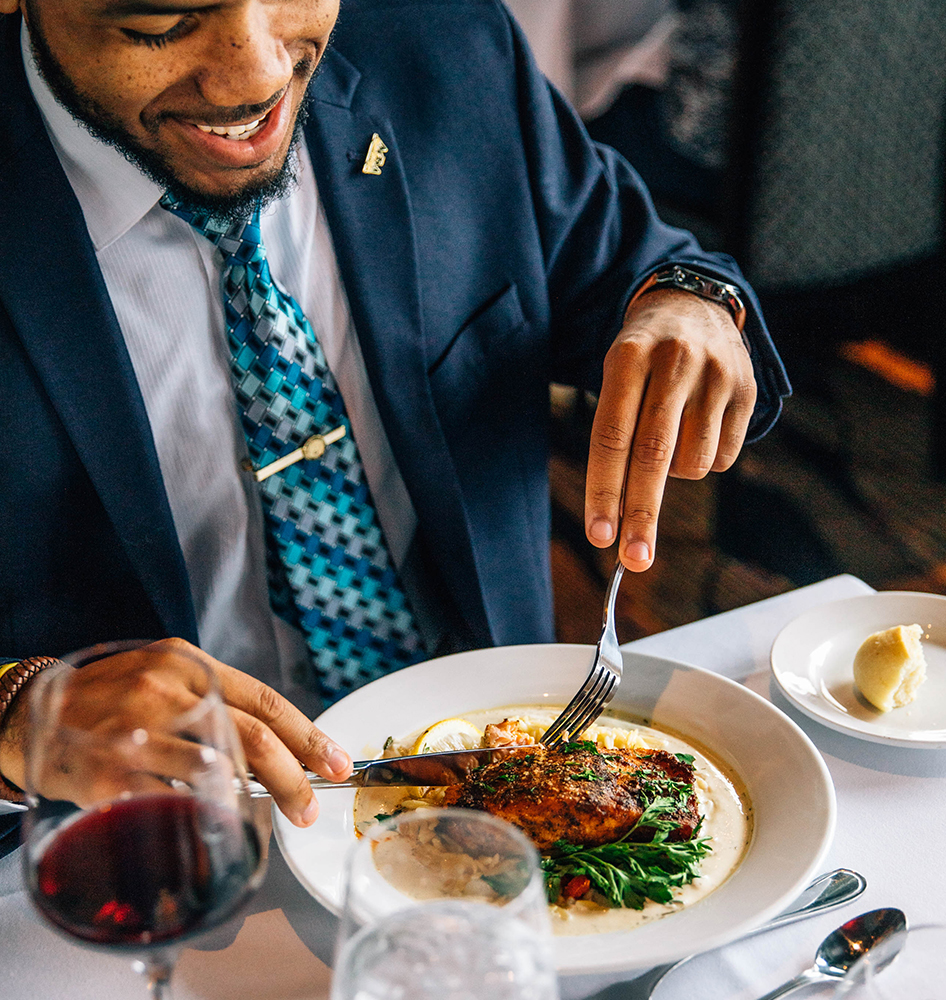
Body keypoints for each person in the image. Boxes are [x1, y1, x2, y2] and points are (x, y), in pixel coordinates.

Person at [0, 0, 790, 827]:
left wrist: (691, 304)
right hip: (152, 845)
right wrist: (21, 716)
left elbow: (646, 264)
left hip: (499, 771)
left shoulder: (445, 43)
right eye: (160, 25)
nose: (260, 76)